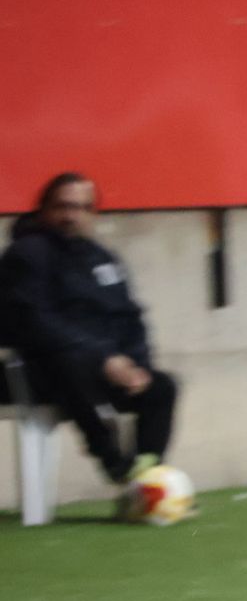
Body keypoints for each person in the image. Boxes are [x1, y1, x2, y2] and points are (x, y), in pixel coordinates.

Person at [0, 173, 179, 483]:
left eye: (82, 208)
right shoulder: (27, 254)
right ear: (43, 209)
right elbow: (34, 322)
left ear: (93, 214)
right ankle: (115, 463)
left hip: (98, 371)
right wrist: (104, 359)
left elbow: (130, 317)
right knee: (67, 363)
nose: (72, 216)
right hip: (31, 373)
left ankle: (146, 476)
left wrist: (137, 365)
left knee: (161, 387)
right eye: (63, 207)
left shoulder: (102, 258)